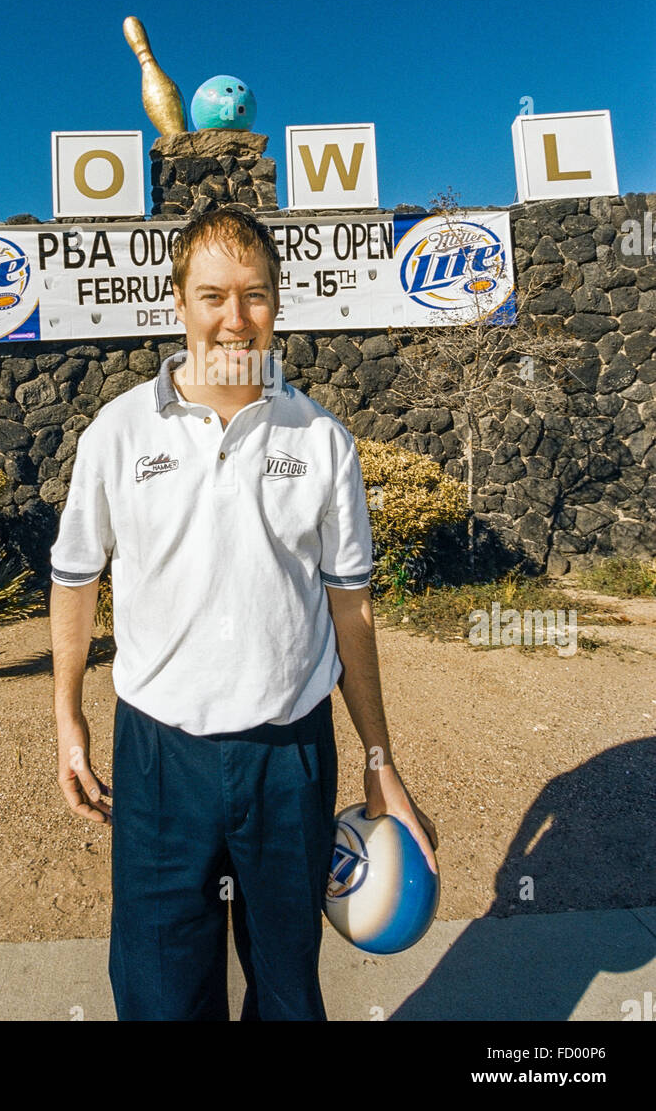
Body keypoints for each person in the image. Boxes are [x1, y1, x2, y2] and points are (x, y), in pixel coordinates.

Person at [49, 203, 437, 1021]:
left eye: (254, 295)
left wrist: (378, 759)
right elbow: (75, 579)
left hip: (290, 755)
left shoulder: (321, 439)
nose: (235, 318)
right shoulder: (117, 433)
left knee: (288, 992)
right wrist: (67, 718)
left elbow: (351, 610)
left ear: (276, 303)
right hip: (159, 755)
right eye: (213, 296)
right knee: (161, 996)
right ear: (178, 303)